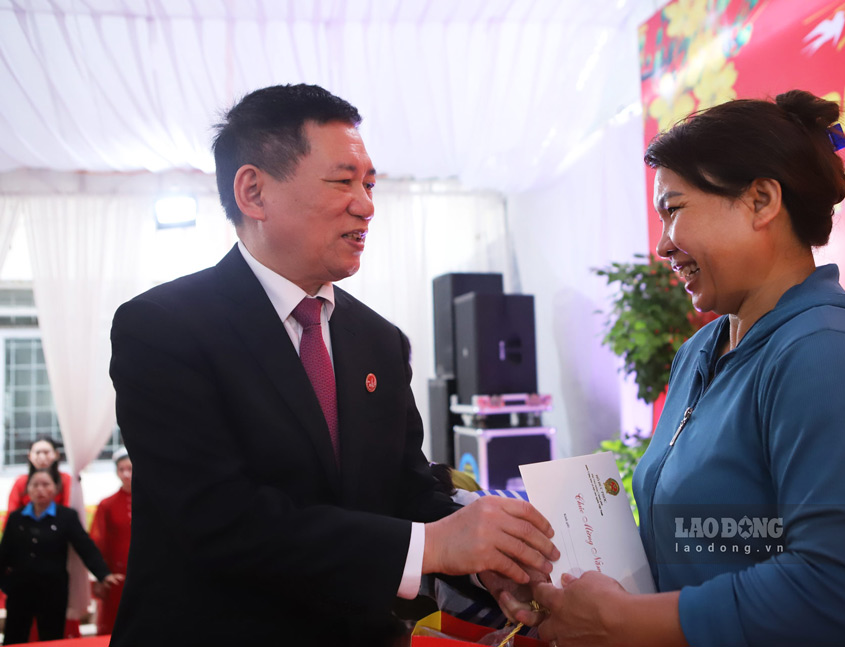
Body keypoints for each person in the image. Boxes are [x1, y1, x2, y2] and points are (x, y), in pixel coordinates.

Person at [108, 83, 558, 646]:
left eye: (369, 184)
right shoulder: (163, 328)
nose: (367, 205)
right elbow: (220, 518)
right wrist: (434, 545)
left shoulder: (379, 340)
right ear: (253, 191)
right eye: (343, 181)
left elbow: (403, 487)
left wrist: (484, 552)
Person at [527, 90, 845, 646]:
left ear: (761, 201)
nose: (663, 244)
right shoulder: (702, 350)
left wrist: (623, 622)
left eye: (675, 210)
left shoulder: (830, 354)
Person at [0, 465, 123, 644]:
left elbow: (85, 547)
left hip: (53, 591)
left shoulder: (65, 517)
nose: (40, 489)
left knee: (52, 637)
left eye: (45, 484)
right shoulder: (16, 518)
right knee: (14, 636)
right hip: (19, 590)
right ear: (28, 489)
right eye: (35, 485)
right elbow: (4, 554)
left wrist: (103, 574)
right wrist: (5, 584)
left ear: (56, 488)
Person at [89, 447, 132, 636]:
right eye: (121, 469)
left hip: (145, 570)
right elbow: (98, 542)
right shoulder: (107, 504)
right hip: (117, 573)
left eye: (130, 469)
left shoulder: (150, 501)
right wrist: (101, 576)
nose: (126, 474)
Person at [6, 438, 72, 512]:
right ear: (29, 455)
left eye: (46, 452)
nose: (42, 457)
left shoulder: (65, 480)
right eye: (37, 453)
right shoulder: (21, 481)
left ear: (56, 454)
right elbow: (12, 514)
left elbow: (69, 510)